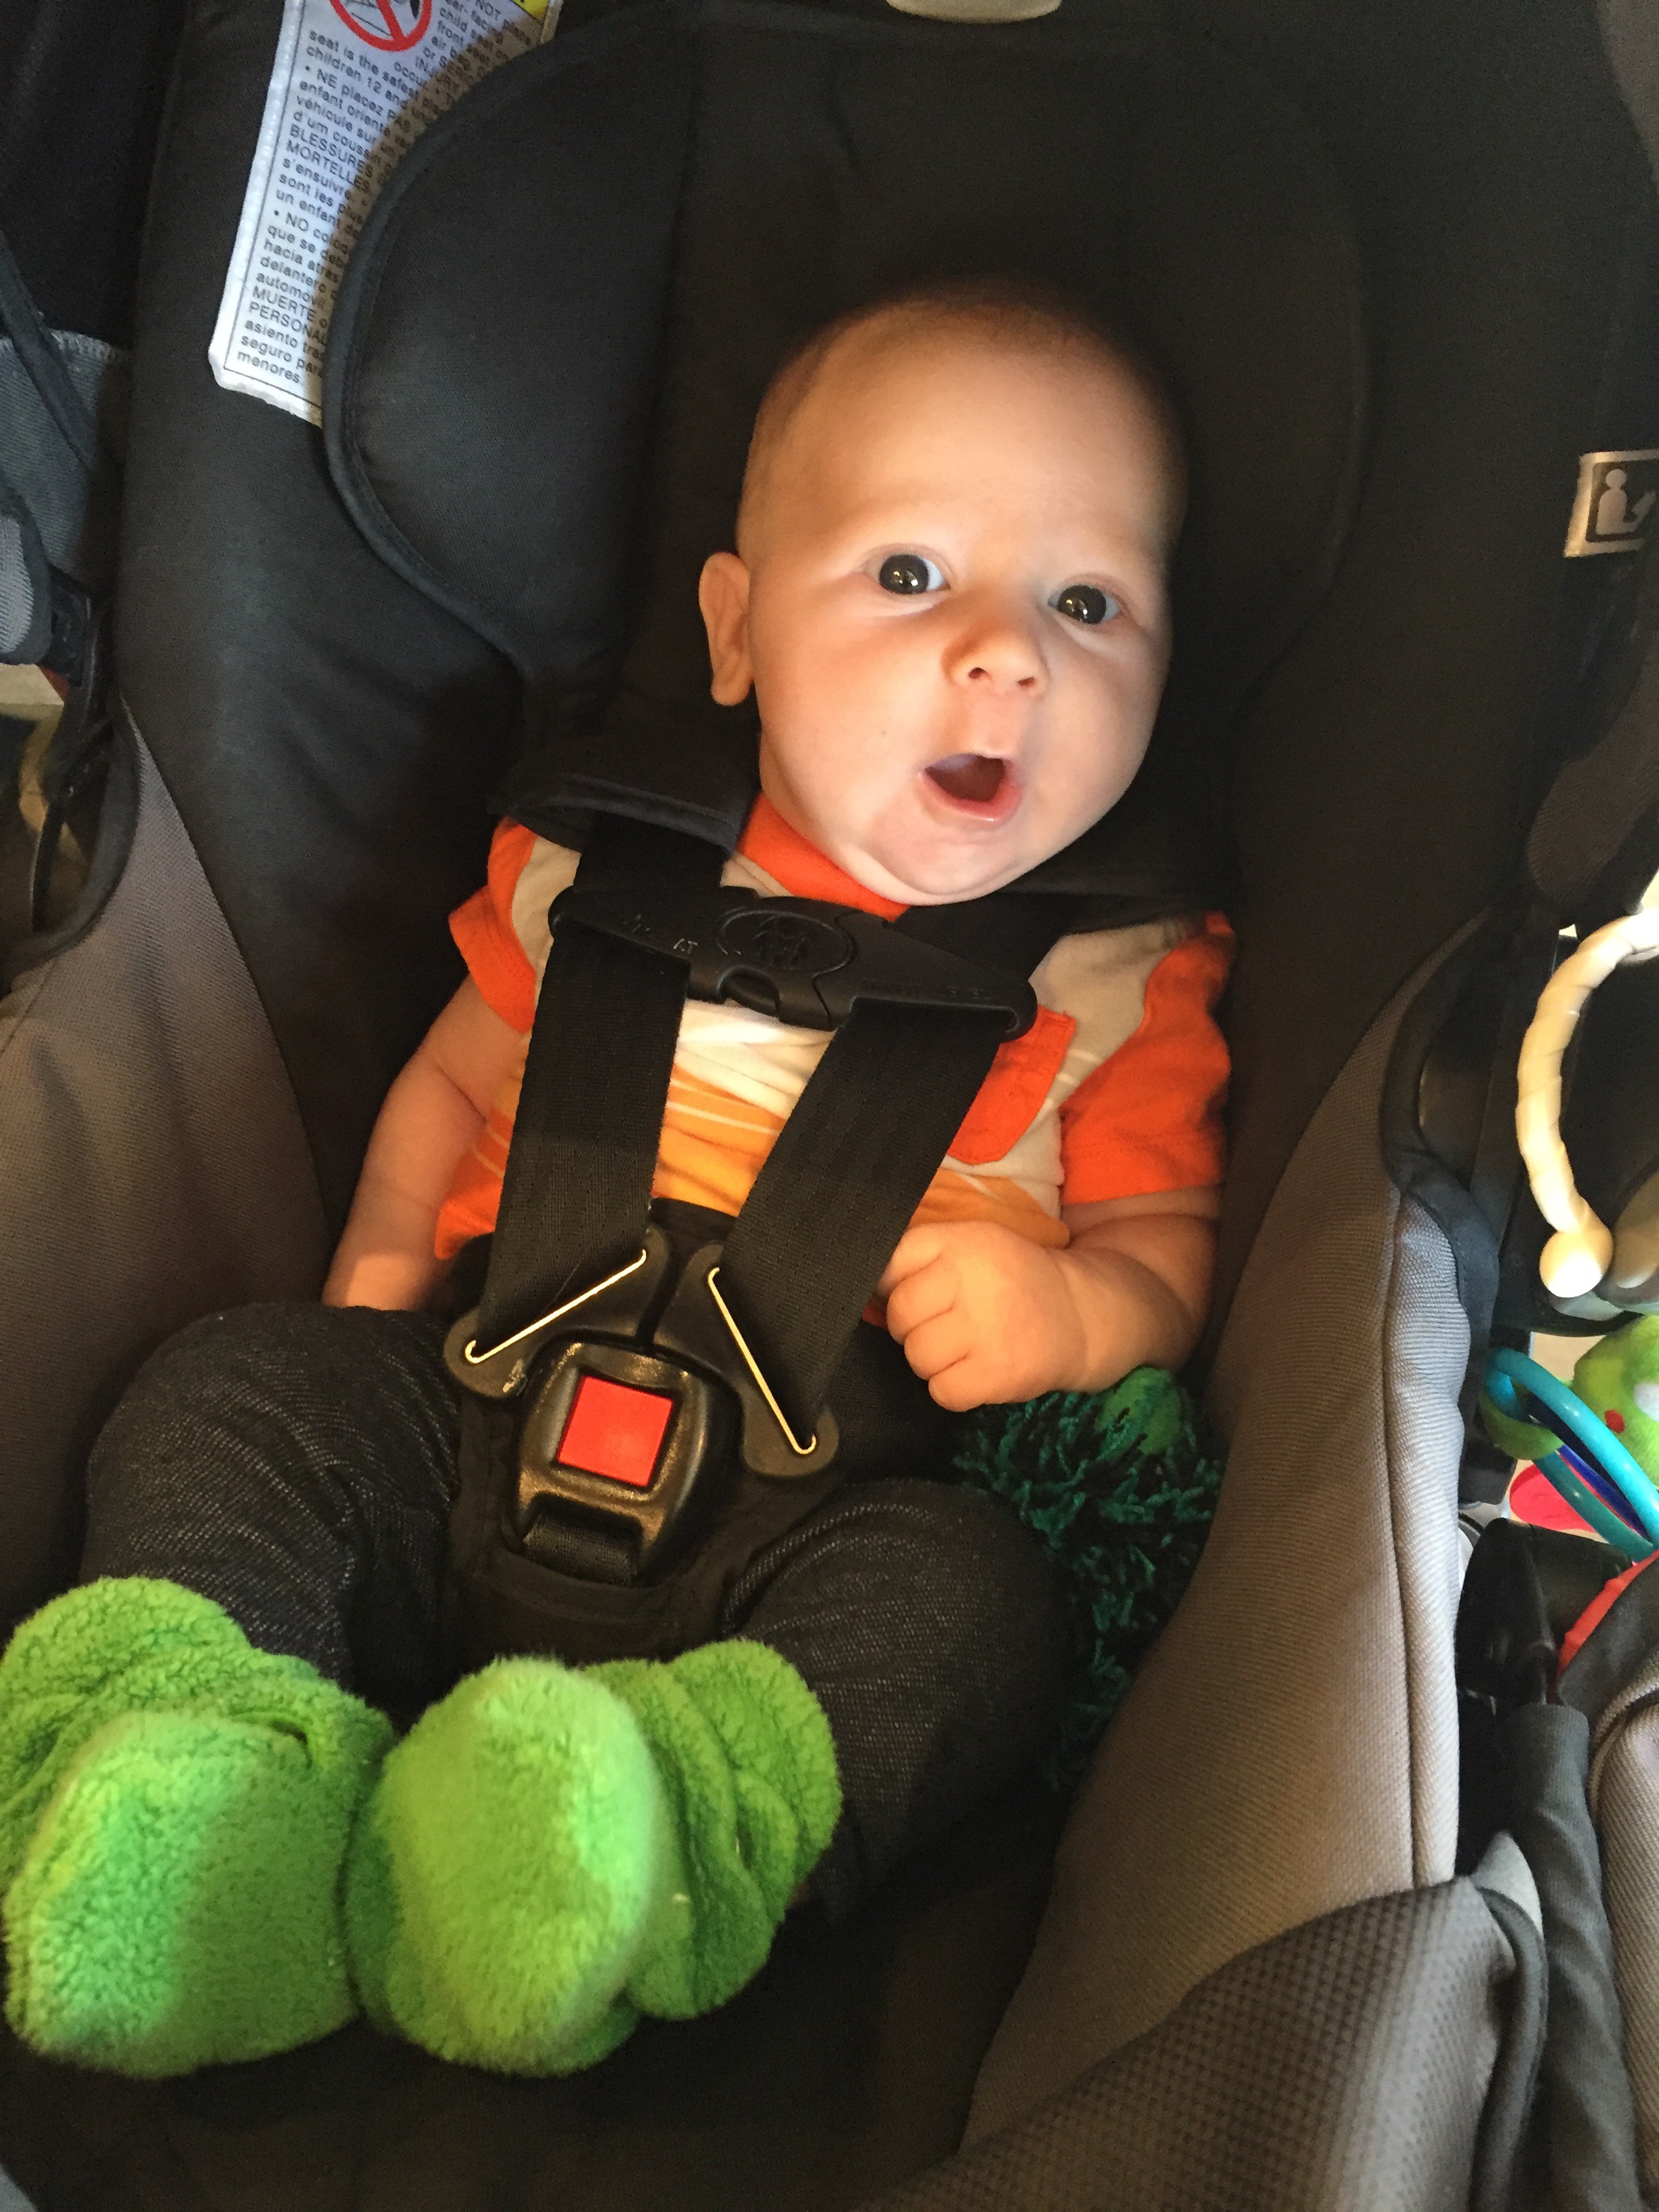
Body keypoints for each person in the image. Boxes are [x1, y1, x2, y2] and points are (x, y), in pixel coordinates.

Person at [0, 280, 1231, 2081]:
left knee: (980, 1607)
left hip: (823, 1509)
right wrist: (371, 1280)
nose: (1008, 656)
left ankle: (648, 1836)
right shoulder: (597, 872)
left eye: (1090, 603)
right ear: (735, 631)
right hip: (468, 1403)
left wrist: (1073, 1312)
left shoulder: (1118, 983)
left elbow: (1168, 1249)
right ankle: (202, 1783)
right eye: (910, 575)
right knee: (224, 1394)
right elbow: (451, 1082)